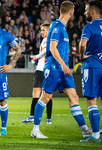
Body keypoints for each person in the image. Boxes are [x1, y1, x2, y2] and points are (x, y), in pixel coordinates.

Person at [30, 1, 91, 139]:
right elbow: (52, 48)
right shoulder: (57, 27)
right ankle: (35, 130)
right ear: (70, 12)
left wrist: (64, 66)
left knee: (74, 97)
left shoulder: (62, 27)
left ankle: (84, 129)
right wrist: (64, 65)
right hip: (54, 68)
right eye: (73, 11)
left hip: (63, 70)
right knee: (45, 97)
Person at [79, 0, 102, 143]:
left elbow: (82, 44)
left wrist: (82, 55)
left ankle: (95, 136)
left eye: (86, 10)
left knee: (91, 100)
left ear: (92, 12)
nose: (85, 12)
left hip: (92, 65)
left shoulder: (89, 26)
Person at [22, 23, 53, 124]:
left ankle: (32, 116)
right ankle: (48, 119)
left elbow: (44, 51)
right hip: (49, 70)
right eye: (41, 30)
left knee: (36, 93)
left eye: (43, 30)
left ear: (48, 30)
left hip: (41, 69)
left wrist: (37, 56)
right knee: (47, 94)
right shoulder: (53, 40)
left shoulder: (45, 40)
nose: (41, 32)